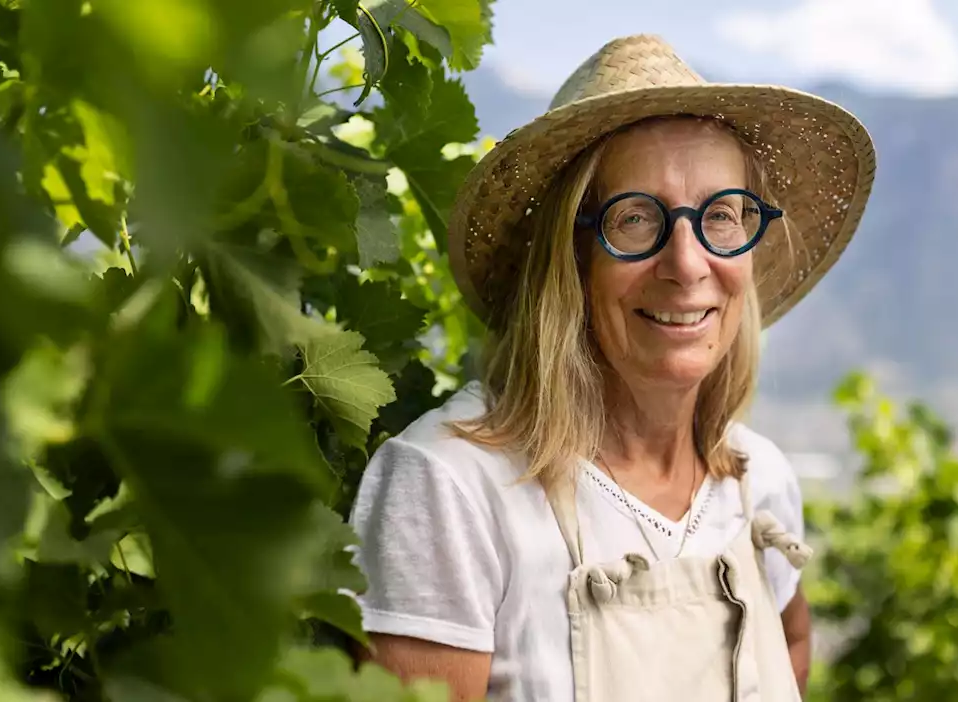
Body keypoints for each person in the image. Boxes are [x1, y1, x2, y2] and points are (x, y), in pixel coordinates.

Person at [348, 34, 876, 702]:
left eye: (719, 216)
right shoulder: (451, 490)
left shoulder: (756, 481)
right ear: (568, 257)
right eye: (635, 219)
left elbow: (791, 644)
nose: (687, 265)